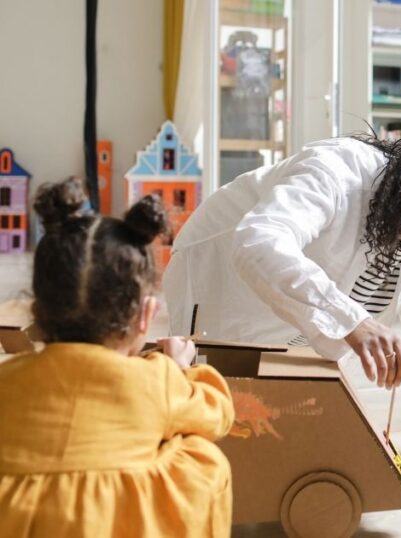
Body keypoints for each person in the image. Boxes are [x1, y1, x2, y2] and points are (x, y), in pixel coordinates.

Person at [163, 112, 401, 464]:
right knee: (206, 419)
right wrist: (351, 320)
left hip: (294, 314)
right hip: (216, 275)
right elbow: (260, 242)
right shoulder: (337, 169)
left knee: (267, 434)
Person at [0, 179, 234, 537]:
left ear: (38, 309)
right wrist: (183, 369)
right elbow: (218, 415)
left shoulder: (8, 379)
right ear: (144, 317)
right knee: (204, 455)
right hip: (115, 522)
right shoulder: (157, 380)